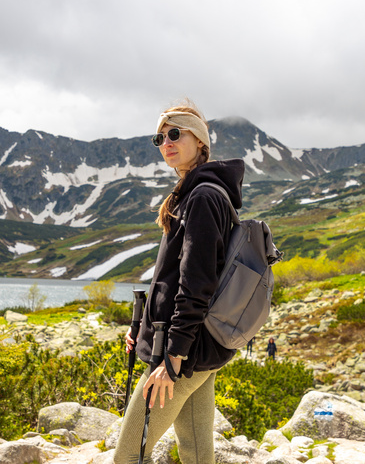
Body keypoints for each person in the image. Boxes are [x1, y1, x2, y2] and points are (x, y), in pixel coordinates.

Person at [114, 101, 244, 464]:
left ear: (199, 140)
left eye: (175, 133)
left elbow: (196, 283)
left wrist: (172, 357)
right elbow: (169, 277)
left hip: (184, 352)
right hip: (203, 346)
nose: (166, 142)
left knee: (128, 454)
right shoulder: (197, 193)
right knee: (196, 449)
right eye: (160, 137)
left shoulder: (202, 197)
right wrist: (141, 326)